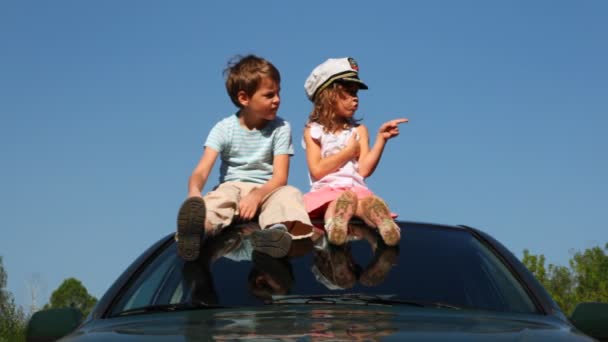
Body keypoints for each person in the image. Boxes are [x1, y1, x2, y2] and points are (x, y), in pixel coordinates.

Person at [176, 55, 313, 261]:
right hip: (232, 186)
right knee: (219, 199)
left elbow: (280, 177)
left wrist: (256, 196)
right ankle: (199, 230)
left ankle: (276, 235)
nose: (277, 99)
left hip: (267, 190)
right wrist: (194, 191)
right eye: (269, 95)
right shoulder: (224, 128)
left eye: (278, 93)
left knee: (289, 194)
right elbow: (202, 170)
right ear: (244, 98)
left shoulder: (281, 127)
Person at [302, 57, 407, 246]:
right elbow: (317, 170)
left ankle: (383, 223)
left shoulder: (359, 131)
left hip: (357, 191)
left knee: (365, 204)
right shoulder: (313, 131)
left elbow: (363, 170)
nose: (355, 98)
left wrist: (381, 139)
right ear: (328, 95)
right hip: (328, 191)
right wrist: (349, 152)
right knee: (340, 202)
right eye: (348, 93)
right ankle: (336, 224)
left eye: (356, 93)